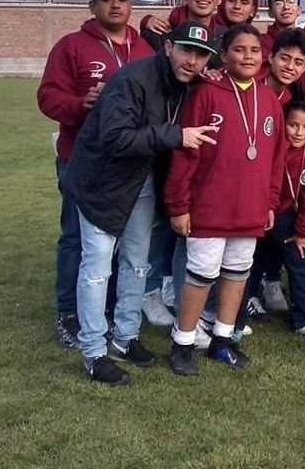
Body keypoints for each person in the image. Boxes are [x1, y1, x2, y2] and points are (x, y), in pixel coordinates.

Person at [61, 20, 219, 384]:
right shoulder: (134, 78)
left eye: (201, 55)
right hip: (101, 182)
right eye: (186, 50)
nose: (192, 61)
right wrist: (176, 135)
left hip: (141, 180)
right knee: (97, 267)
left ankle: (125, 336)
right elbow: (115, 138)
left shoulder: (189, 82)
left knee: (137, 262)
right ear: (168, 47)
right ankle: (93, 351)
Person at [38, 0, 155, 348]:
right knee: (76, 237)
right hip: (83, 162)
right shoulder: (72, 46)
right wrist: (80, 103)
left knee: (123, 242)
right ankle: (69, 312)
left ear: (131, 5)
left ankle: (108, 309)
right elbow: (47, 96)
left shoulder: (145, 50)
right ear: (92, 6)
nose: (115, 4)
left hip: (129, 165)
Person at [164, 24, 286, 376]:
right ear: (224, 55)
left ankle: (222, 339)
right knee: (201, 275)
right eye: (239, 49)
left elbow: (276, 159)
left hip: (250, 206)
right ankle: (183, 341)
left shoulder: (269, 101)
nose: (247, 56)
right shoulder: (206, 93)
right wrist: (179, 205)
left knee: (237, 274)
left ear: (263, 56)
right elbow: (185, 153)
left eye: (254, 50)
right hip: (209, 206)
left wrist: (269, 202)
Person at [237, 99, 305, 338]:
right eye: (293, 125)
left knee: (300, 259)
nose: (299, 132)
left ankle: (302, 320)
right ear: (282, 123)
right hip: (257, 210)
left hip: (286, 215)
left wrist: (303, 232)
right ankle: (236, 321)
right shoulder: (269, 145)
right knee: (248, 263)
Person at [260, 28, 305, 106]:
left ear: (304, 68)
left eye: (298, 63)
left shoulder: (288, 100)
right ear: (271, 57)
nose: (290, 67)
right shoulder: (250, 81)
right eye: (284, 58)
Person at [259, 0, 303, 75]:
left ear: (299, 10)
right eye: (279, 3)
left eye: (291, 2)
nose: (286, 7)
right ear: (270, 12)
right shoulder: (259, 43)